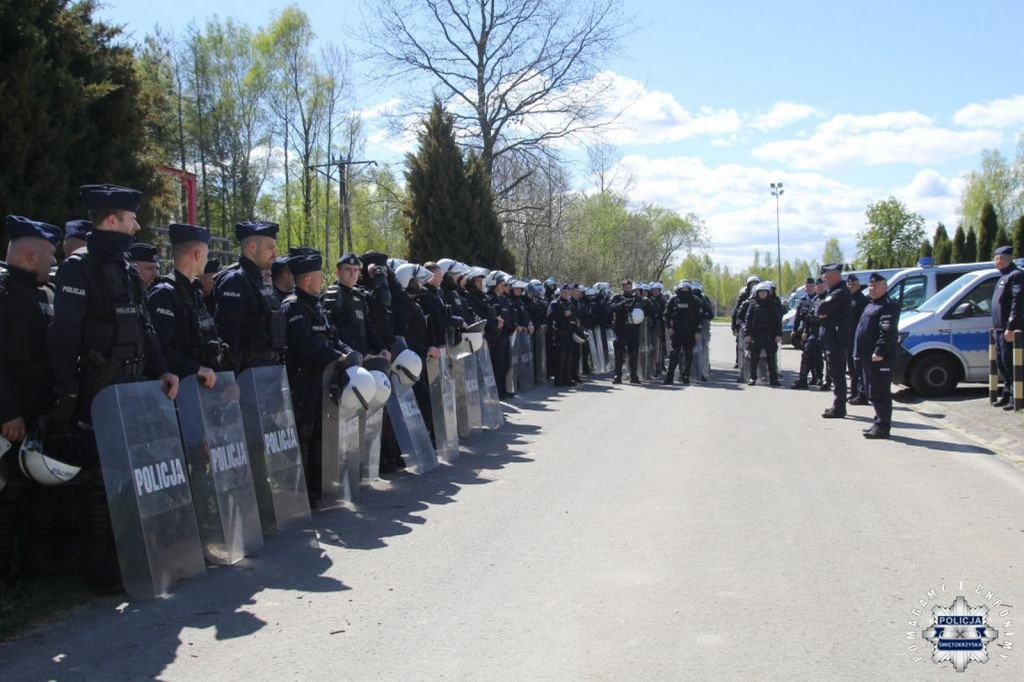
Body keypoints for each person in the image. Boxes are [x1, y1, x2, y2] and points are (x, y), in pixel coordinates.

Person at [48, 184, 179, 594]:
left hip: (133, 390)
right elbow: (63, 337)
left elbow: (146, 328)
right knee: (98, 484)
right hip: (96, 394)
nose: (137, 225)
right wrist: (69, 395)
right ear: (111, 221)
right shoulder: (78, 268)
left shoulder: (125, 268)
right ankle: (101, 573)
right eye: (130, 218)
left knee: (127, 480)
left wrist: (163, 371)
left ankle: (131, 560)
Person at [0, 216, 61, 596]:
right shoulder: (3, 294)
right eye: (49, 255)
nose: (54, 262)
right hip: (13, 416)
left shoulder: (45, 293)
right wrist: (7, 412)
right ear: (28, 254)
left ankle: (31, 566)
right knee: (8, 495)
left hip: (40, 411)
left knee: (34, 493)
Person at [282, 251, 354, 506]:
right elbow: (304, 345)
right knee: (304, 436)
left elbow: (332, 336)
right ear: (307, 280)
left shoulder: (317, 305)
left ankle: (318, 488)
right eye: (318, 275)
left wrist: (347, 352)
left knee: (320, 436)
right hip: (304, 383)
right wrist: (336, 356)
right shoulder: (293, 307)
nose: (322, 279)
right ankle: (300, 494)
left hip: (323, 381)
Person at [146, 223, 227, 382]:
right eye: (206, 255)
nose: (206, 260)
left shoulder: (194, 292)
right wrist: (195, 369)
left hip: (200, 386)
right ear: (198, 254)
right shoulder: (164, 294)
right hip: (180, 389)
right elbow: (160, 349)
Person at [213, 220, 286, 372]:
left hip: (266, 371)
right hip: (246, 374)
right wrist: (229, 376)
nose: (275, 254)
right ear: (252, 247)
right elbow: (227, 335)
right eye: (270, 248)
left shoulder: (259, 281)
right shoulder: (235, 281)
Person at [854, 272, 900, 438]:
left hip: (879, 357)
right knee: (872, 391)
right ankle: (878, 421)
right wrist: (858, 352)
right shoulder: (871, 304)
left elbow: (887, 333)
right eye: (870, 286)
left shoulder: (888, 306)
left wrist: (879, 351)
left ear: (885, 287)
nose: (871, 288)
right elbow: (862, 329)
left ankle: (883, 427)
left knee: (880, 392)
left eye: (875, 286)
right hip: (867, 356)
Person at [322, 253, 390, 359]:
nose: (352, 274)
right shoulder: (333, 295)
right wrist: (361, 354)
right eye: (348, 269)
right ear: (338, 272)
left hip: (364, 357)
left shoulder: (359, 296)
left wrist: (382, 348)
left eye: (355, 270)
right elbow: (336, 333)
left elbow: (368, 328)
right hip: (346, 359)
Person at [817, 263, 852, 418]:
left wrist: (823, 312)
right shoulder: (833, 291)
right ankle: (837, 405)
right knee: (834, 372)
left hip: (836, 339)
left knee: (837, 373)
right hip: (831, 337)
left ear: (835, 276)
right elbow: (819, 310)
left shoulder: (840, 292)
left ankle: (839, 408)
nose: (824, 279)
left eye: (826, 277)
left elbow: (821, 309)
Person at [992, 245, 1024, 409]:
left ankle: (1015, 396)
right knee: (1002, 364)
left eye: (998, 258)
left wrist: (1011, 327)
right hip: (999, 329)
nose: (996, 261)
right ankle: (1006, 393)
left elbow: (1016, 304)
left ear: (1004, 259)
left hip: (1009, 330)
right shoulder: (1002, 277)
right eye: (995, 258)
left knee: (1010, 363)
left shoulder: (1016, 275)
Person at [743, 282, 782, 386]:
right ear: (757, 293)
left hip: (770, 334)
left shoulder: (772, 304)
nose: (763, 294)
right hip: (756, 334)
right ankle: (752, 378)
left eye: (765, 292)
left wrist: (779, 334)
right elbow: (748, 319)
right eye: (761, 292)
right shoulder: (752, 304)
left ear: (768, 293)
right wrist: (747, 333)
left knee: (771, 357)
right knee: (754, 357)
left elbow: (778, 320)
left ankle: (774, 378)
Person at [663, 281, 702, 385]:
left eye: (686, 289)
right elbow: (666, 315)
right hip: (676, 331)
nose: (684, 292)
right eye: (682, 290)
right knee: (674, 353)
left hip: (690, 331)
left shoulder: (695, 300)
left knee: (688, 354)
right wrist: (669, 327)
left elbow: (699, 317)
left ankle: (686, 376)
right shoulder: (673, 300)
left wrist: (698, 331)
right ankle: (669, 376)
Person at [610, 279, 641, 384]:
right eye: (626, 287)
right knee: (619, 353)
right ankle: (617, 375)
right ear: (622, 287)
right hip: (620, 329)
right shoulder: (616, 298)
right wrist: (623, 303)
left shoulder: (636, 298)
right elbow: (610, 308)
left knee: (633, 353)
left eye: (629, 287)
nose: (628, 289)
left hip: (633, 329)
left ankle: (634, 376)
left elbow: (644, 310)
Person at [546, 284, 576, 387]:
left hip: (569, 334)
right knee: (560, 358)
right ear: (561, 292)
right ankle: (558, 380)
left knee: (569, 357)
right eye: (564, 292)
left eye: (568, 292)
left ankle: (567, 378)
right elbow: (550, 316)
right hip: (560, 334)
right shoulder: (555, 303)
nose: (566, 294)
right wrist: (563, 314)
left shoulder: (570, 303)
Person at [846, 274, 869, 405]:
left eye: (853, 284)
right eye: (849, 284)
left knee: (858, 368)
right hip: (849, 337)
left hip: (858, 337)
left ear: (858, 284)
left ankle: (863, 394)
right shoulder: (848, 299)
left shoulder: (863, 300)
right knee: (851, 367)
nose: (851, 286)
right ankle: (854, 392)